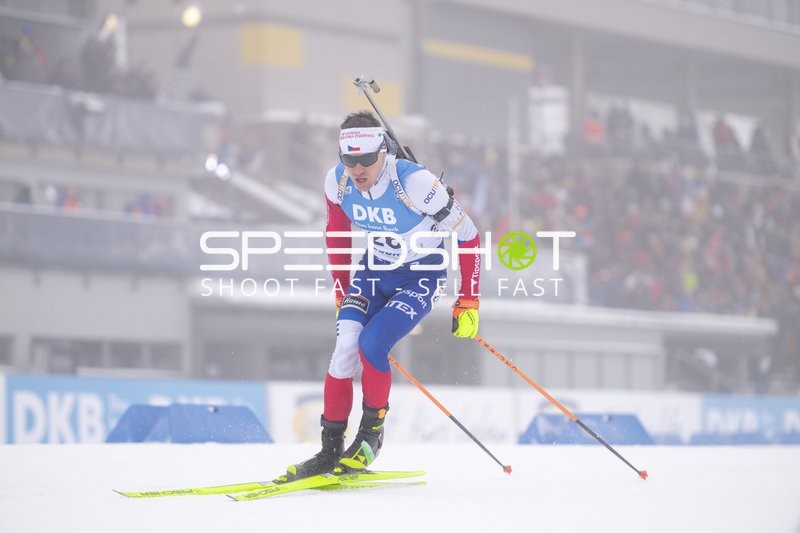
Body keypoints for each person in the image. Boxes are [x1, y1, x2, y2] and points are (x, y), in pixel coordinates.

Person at [279, 110, 482, 481]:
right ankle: (329, 451)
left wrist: (469, 299)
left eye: (366, 159)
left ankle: (370, 437)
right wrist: (341, 288)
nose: (357, 169)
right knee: (344, 349)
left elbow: (469, 236)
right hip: (373, 272)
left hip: (420, 277)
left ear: (383, 153)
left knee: (371, 345)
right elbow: (337, 236)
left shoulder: (415, 183)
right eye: (349, 159)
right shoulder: (337, 182)